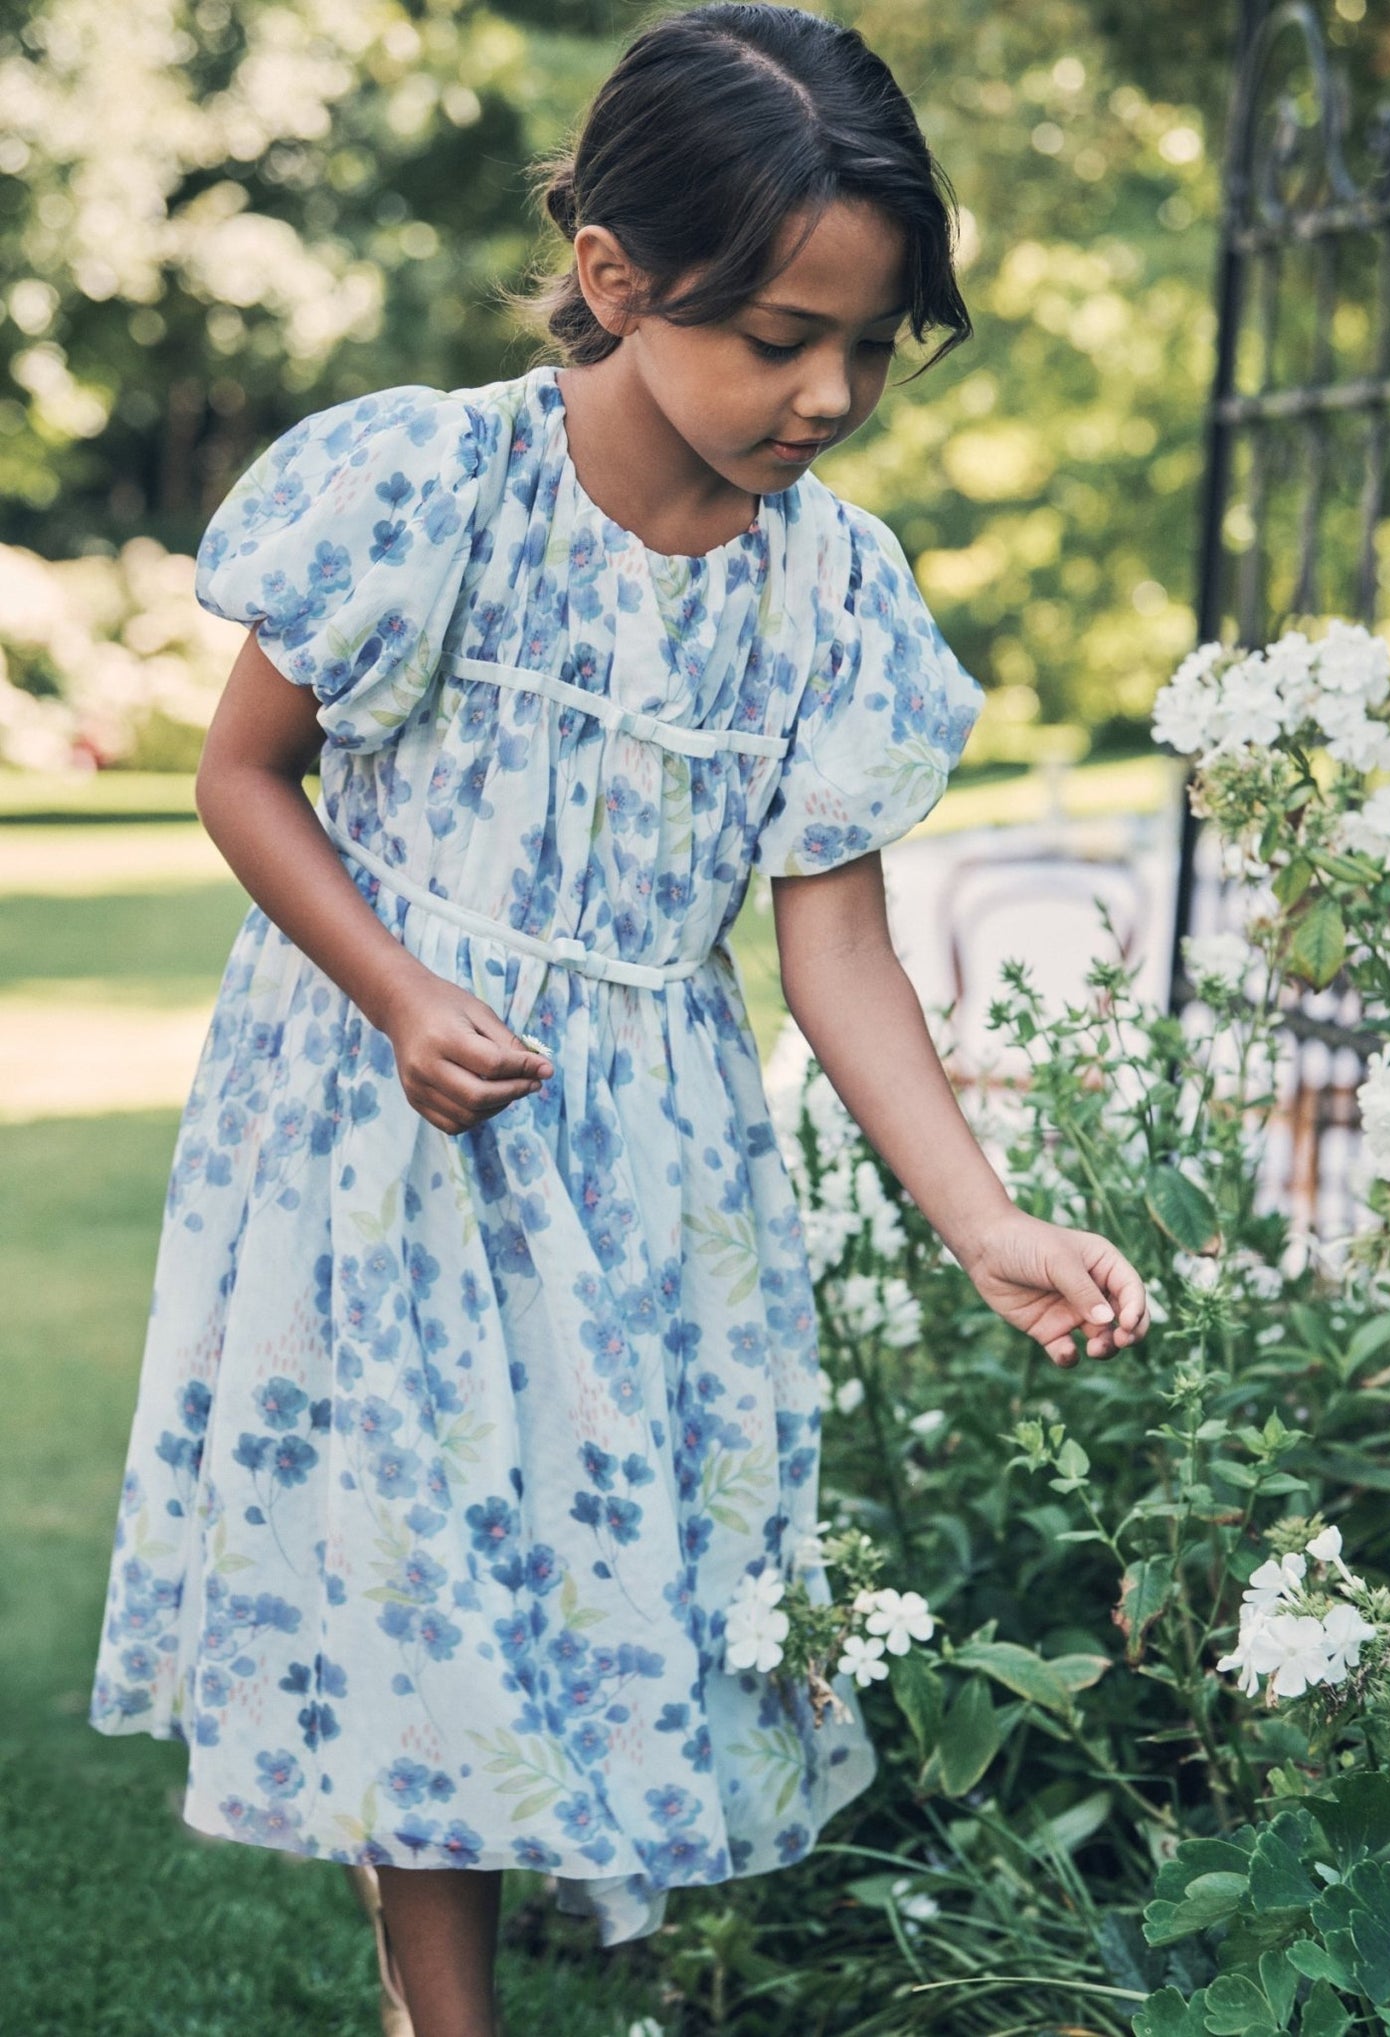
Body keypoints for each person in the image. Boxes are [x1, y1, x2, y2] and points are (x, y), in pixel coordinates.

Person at [88, 8, 1149, 2035]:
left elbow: (835, 945)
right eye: (776, 335)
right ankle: (447, 2010)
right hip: (393, 1133)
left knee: (612, 1581)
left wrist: (979, 1215)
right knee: (424, 1576)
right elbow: (244, 775)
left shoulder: (829, 592)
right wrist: (397, 989)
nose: (828, 391)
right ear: (616, 279)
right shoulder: (440, 489)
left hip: (652, 1161)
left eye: (872, 342)